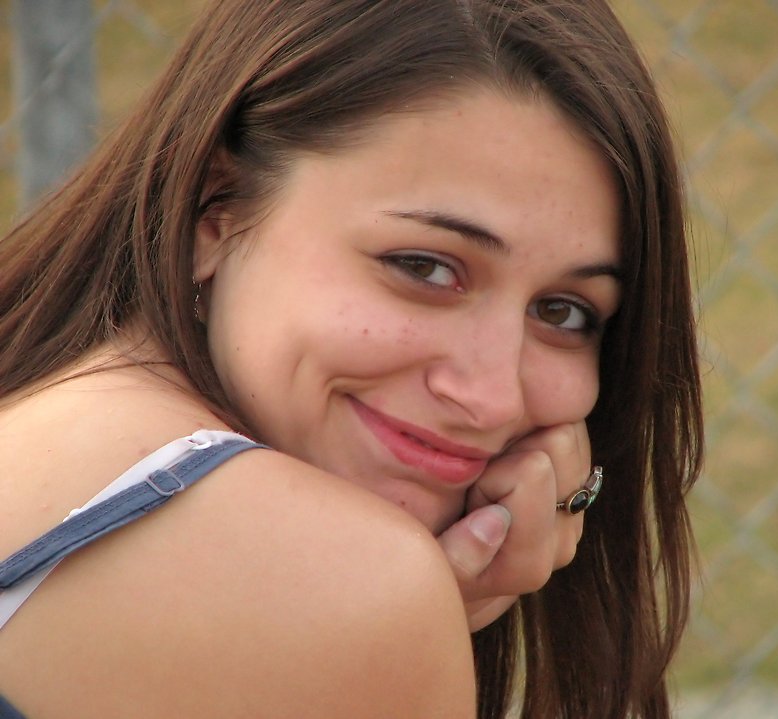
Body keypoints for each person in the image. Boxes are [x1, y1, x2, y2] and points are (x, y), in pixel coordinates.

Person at [0, 0, 703, 716]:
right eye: (425, 267)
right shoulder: (352, 591)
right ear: (219, 210)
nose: (491, 395)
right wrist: (386, 620)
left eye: (562, 312)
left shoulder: (38, 410)